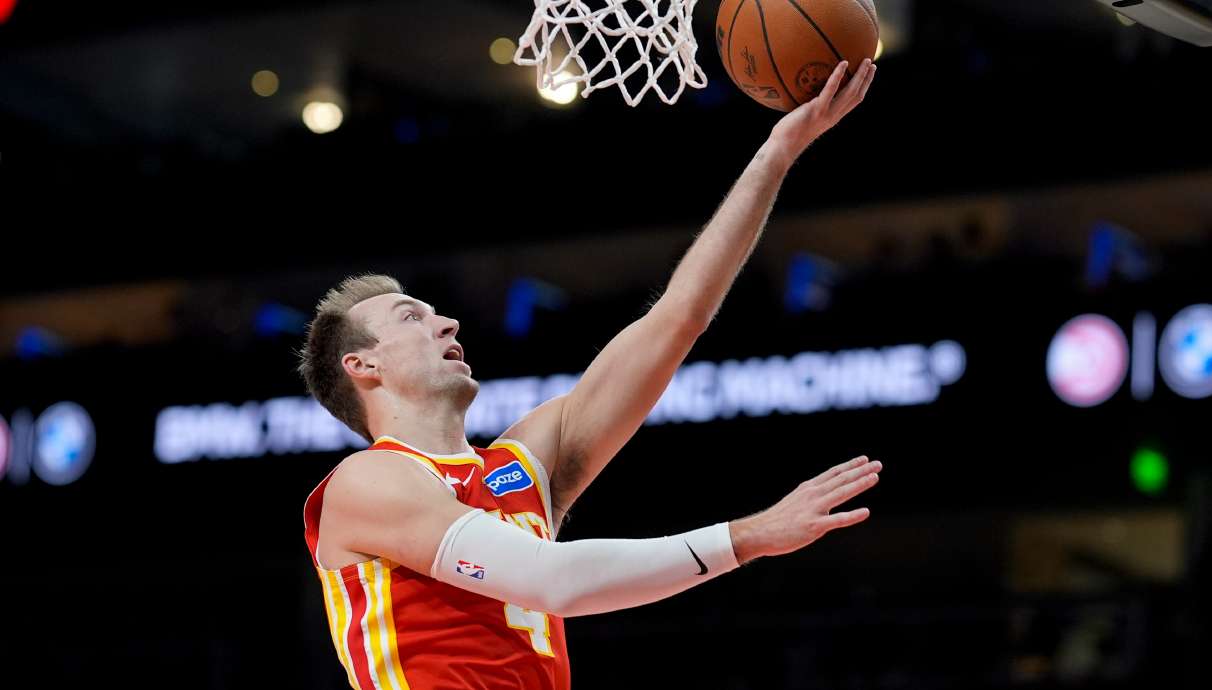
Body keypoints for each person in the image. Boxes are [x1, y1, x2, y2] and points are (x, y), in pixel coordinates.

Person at [299, 59, 880, 690]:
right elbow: (556, 581)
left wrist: (776, 153)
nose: (448, 326)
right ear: (363, 366)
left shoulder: (520, 466)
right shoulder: (367, 482)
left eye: (439, 314)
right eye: (413, 317)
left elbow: (677, 320)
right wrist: (746, 537)